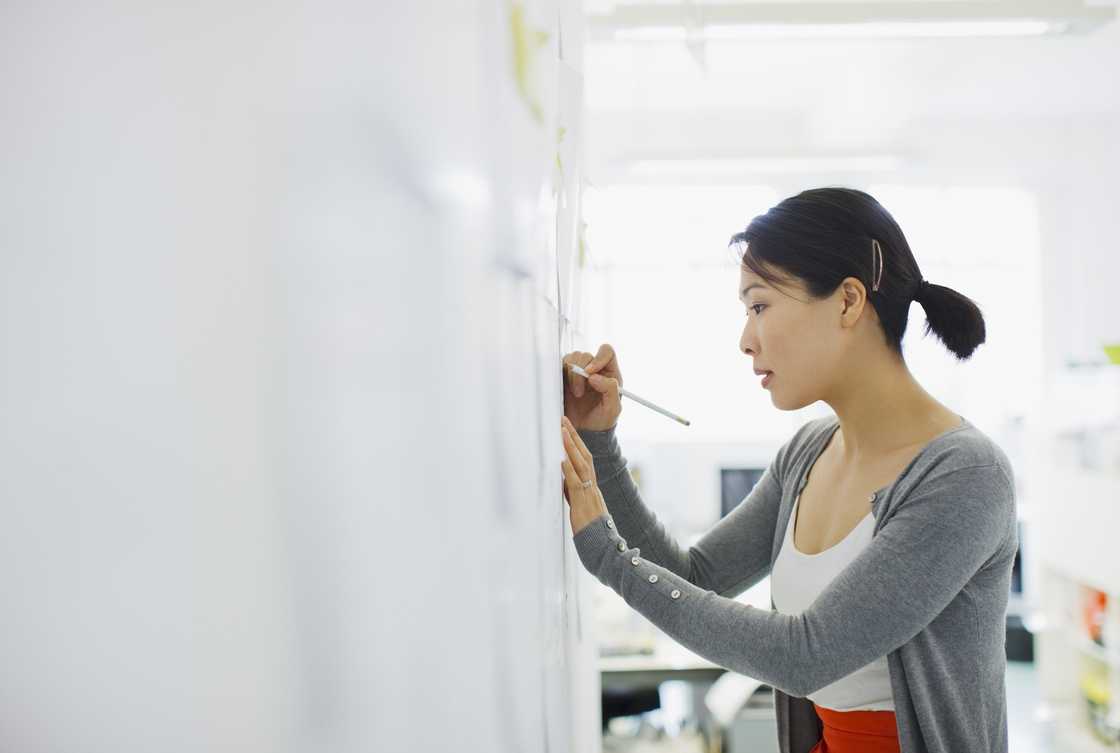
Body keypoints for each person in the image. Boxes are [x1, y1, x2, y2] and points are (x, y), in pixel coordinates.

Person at [559, 187, 1018, 753]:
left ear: (848, 301)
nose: (746, 340)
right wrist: (599, 443)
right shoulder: (808, 451)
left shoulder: (965, 474)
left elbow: (807, 656)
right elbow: (697, 576)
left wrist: (609, 558)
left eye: (759, 306)